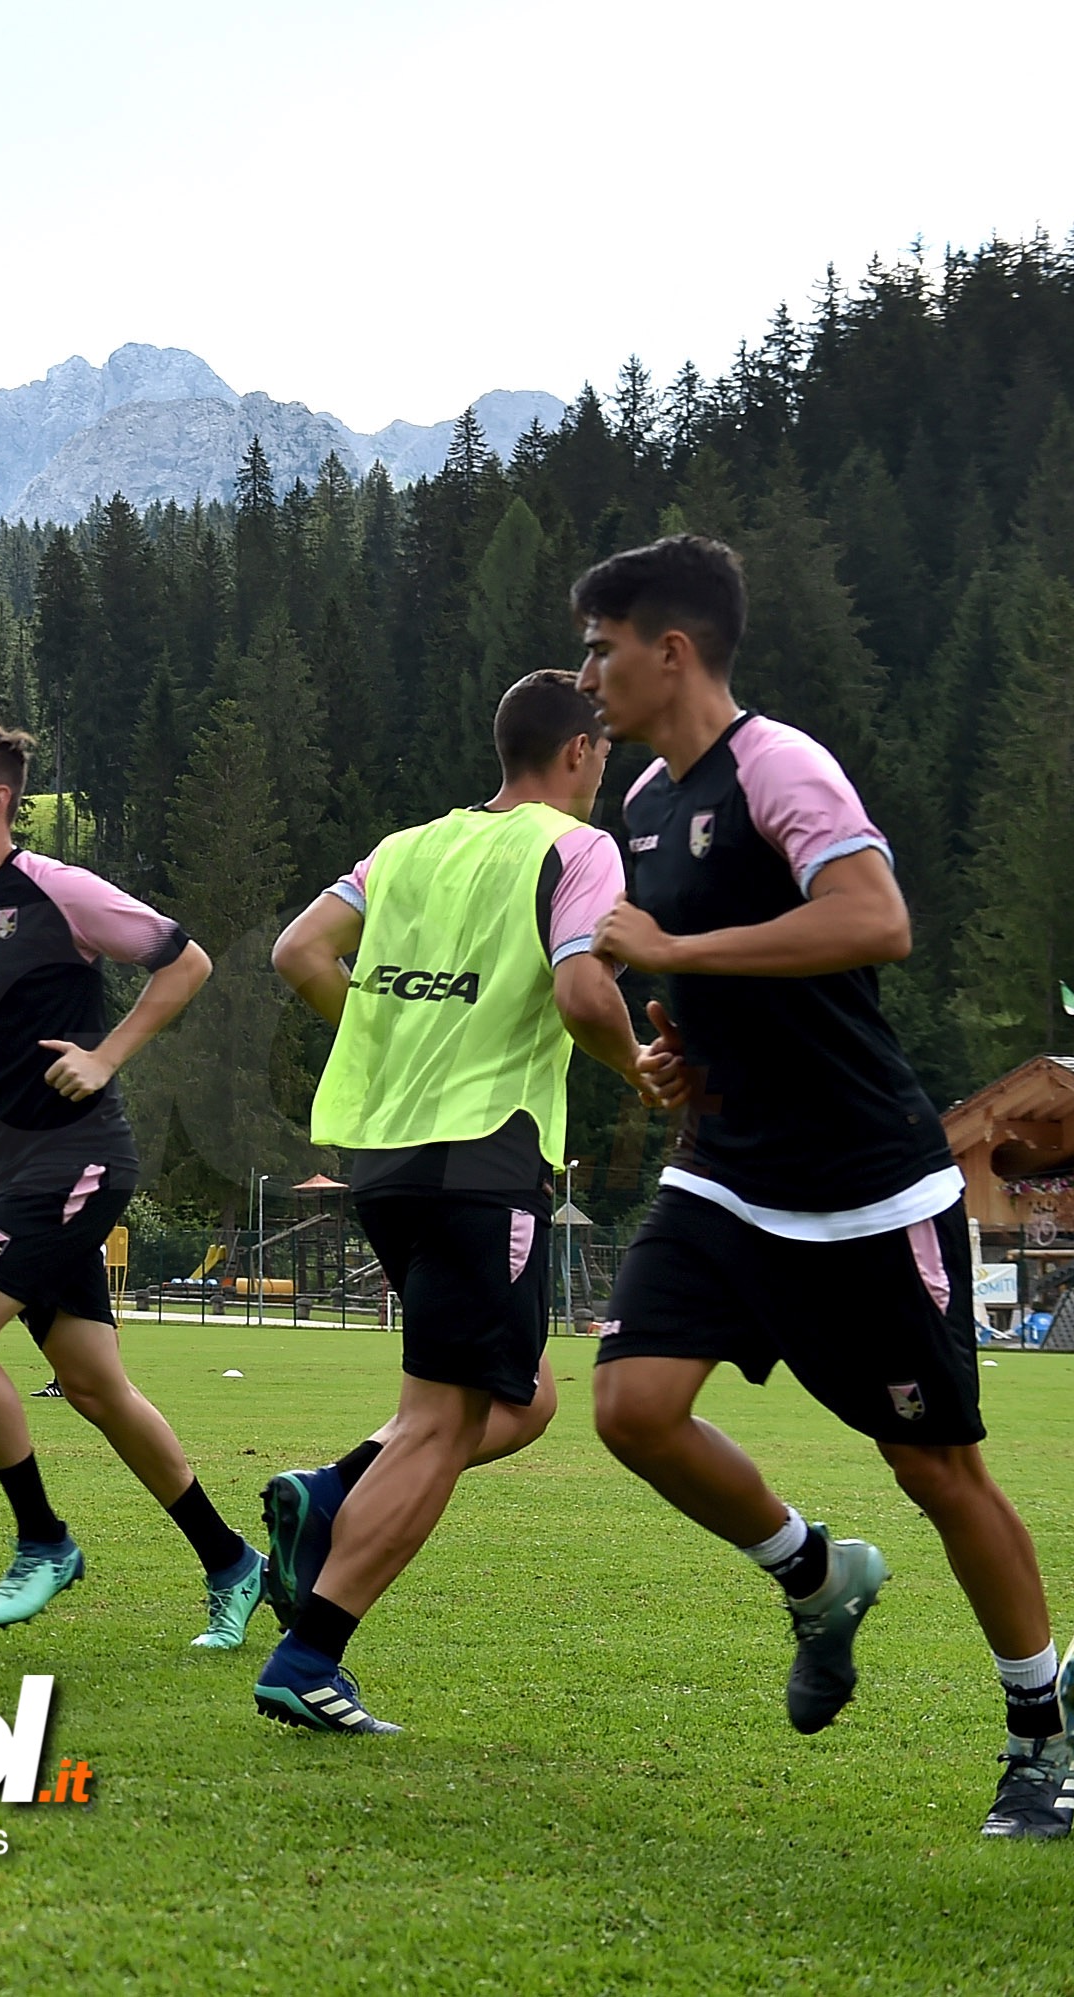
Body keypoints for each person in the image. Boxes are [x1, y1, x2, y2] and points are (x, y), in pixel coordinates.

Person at [576, 534, 1074, 1839]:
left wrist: (681, 948)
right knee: (632, 1407)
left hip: (863, 1187)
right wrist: (684, 1046)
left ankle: (1041, 1738)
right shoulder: (640, 798)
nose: (588, 674)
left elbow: (876, 921)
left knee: (936, 1470)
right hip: (729, 1172)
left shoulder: (781, 765)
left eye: (602, 648)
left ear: (670, 650)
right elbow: (718, 974)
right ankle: (813, 1574)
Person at [255, 669, 656, 1733]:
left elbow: (298, 950)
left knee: (523, 1397)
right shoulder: (575, 847)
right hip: (485, 1162)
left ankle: (333, 1488)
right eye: (602, 754)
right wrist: (644, 1063)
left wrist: (383, 1036)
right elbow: (580, 989)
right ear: (577, 753)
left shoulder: (405, 847)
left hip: (384, 1161)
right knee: (445, 1420)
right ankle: (310, 1654)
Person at [0, 718, 253, 1639]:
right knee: (99, 1387)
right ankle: (234, 1560)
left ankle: (44, 1540)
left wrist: (108, 1055)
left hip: (80, 1163)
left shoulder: (58, 891)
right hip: (12, 1169)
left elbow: (186, 961)